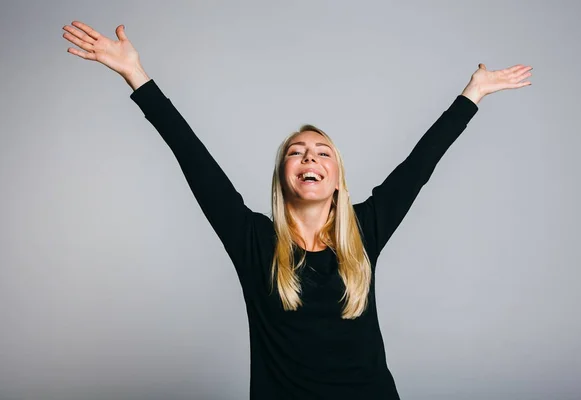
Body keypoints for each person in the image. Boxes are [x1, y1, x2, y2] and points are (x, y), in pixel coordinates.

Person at [62, 21, 532, 400]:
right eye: (297, 151)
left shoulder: (365, 232)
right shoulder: (254, 242)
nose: (310, 157)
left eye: (323, 152)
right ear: (282, 176)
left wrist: (473, 93)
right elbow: (193, 156)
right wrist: (136, 76)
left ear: (338, 179)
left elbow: (420, 164)